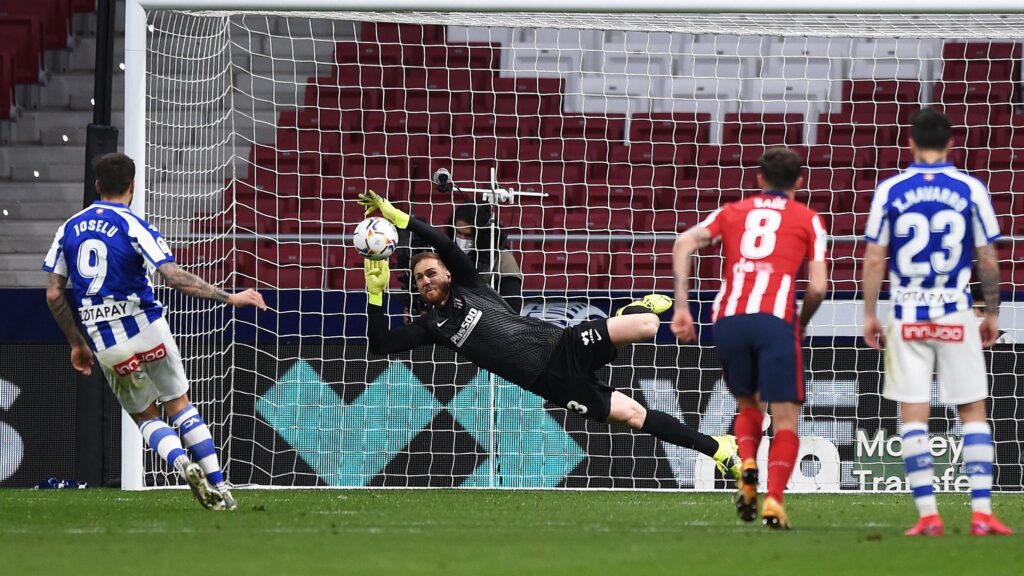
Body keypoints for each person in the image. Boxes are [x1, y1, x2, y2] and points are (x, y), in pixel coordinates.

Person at [357, 190, 742, 481]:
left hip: (563, 346)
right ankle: (719, 449)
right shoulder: (432, 327)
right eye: (421, 278)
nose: (427, 281)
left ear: (447, 274)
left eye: (432, 273)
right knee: (634, 415)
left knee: (648, 325)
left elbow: (442, 243)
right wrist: (376, 293)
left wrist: (396, 216)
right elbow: (381, 345)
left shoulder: (469, 285)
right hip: (550, 384)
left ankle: (630, 311)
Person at [42, 153, 266, 510]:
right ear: (132, 187)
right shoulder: (134, 225)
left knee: (145, 416)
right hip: (148, 327)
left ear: (97, 186)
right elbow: (173, 276)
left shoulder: (69, 228)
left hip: (106, 340)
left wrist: (77, 343)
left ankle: (181, 464)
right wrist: (230, 297)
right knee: (179, 405)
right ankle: (221, 487)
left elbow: (54, 292)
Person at [862, 108, 1011, 536]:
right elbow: (987, 257)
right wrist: (993, 313)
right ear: (950, 144)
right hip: (955, 311)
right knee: (972, 411)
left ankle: (928, 514)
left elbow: (875, 256)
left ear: (910, 143)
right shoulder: (970, 188)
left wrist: (871, 313)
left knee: (914, 415)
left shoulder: (890, 189)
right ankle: (981, 512)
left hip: (907, 314)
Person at [670, 147, 828, 530]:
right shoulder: (808, 219)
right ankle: (773, 499)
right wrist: (801, 323)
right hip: (774, 320)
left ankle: (749, 466)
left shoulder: (733, 211)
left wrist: (682, 307)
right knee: (786, 418)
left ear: (759, 179)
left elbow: (683, 243)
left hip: (729, 318)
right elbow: (819, 288)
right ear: (799, 182)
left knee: (748, 405)